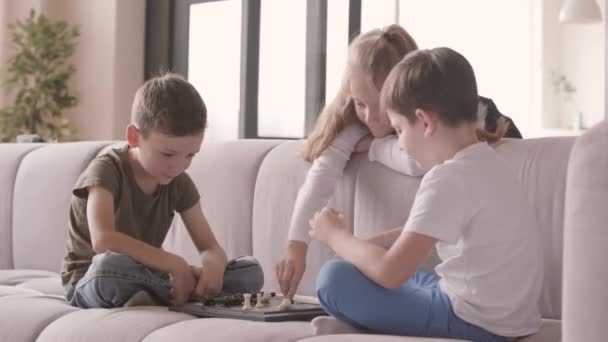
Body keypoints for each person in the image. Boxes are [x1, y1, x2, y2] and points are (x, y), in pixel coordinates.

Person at [309, 47, 543, 341]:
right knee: (371, 265)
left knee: (334, 278)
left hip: (476, 324)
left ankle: (362, 320)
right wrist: (364, 246)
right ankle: (364, 321)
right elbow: (422, 231)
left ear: (425, 121)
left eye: (399, 129)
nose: (402, 145)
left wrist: (337, 237)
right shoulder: (490, 165)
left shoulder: (446, 179)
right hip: (510, 320)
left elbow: (390, 273)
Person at [276, 24, 521, 299]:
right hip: (487, 298)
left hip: (473, 299)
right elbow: (321, 175)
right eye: (359, 103)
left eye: (381, 108)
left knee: (336, 277)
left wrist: (374, 148)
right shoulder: (355, 125)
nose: (369, 117)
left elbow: (419, 162)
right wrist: (296, 245)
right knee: (350, 267)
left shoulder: (454, 146)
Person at [61, 73, 263, 309]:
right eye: (168, 154)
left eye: (190, 155)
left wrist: (213, 268)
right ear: (134, 137)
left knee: (251, 271)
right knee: (108, 269)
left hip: (154, 275)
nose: (179, 166)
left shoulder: (177, 180)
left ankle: (168, 292)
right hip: (91, 280)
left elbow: (209, 247)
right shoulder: (106, 169)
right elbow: (103, 240)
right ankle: (172, 292)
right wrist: (176, 265)